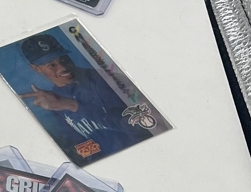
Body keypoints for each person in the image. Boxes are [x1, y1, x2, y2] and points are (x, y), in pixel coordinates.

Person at [17, 33, 153, 155]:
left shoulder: (106, 80)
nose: (63, 67)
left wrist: (72, 105)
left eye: (64, 59)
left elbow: (144, 128)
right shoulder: (54, 99)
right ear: (36, 68)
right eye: (51, 65)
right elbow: (79, 145)